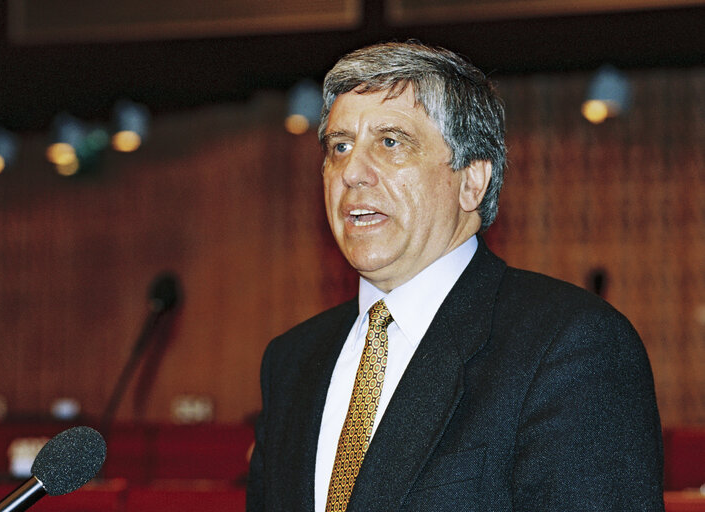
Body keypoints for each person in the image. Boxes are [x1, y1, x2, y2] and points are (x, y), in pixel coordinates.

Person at [247, 41, 663, 511]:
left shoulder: (570, 346)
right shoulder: (292, 361)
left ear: (472, 181)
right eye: (339, 146)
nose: (352, 172)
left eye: (390, 142)